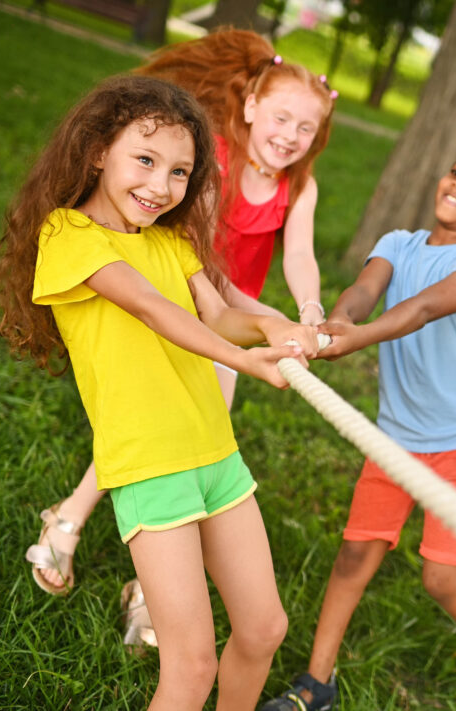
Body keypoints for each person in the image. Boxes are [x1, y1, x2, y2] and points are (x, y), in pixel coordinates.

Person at [0, 74, 320, 710]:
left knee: (264, 628)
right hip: (149, 465)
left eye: (179, 173)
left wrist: (274, 325)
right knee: (189, 665)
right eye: (145, 160)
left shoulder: (169, 237)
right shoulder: (68, 235)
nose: (160, 187)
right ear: (97, 152)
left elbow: (217, 314)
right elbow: (154, 310)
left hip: (215, 454)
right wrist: (248, 364)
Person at [23, 30, 337, 607]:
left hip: (221, 312)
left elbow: (299, 256)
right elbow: (205, 277)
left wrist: (307, 317)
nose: (290, 137)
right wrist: (266, 327)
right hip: (192, 294)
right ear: (250, 108)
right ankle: (79, 524)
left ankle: (147, 582)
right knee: (157, 428)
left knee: (192, 432)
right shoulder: (207, 162)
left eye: (305, 128)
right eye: (281, 119)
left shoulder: (299, 185)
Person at [261, 143, 456, 711]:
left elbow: (424, 309)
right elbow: (363, 292)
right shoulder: (397, 244)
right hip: (394, 439)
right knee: (355, 557)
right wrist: (339, 322)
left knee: (441, 575)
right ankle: (317, 683)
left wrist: (357, 339)